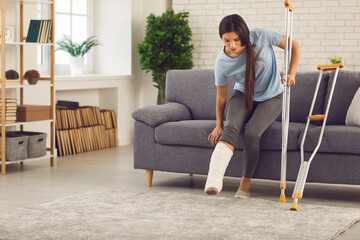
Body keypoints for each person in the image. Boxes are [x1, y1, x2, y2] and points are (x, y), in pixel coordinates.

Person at [204, 14, 301, 198]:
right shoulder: (222, 62)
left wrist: (291, 73)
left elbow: (295, 46)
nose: (232, 45)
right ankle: (214, 180)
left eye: (236, 39)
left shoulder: (261, 37)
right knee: (231, 127)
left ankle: (244, 186)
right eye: (226, 40)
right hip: (242, 94)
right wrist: (219, 124)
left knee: (251, 133)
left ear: (243, 34)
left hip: (272, 96)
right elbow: (221, 97)